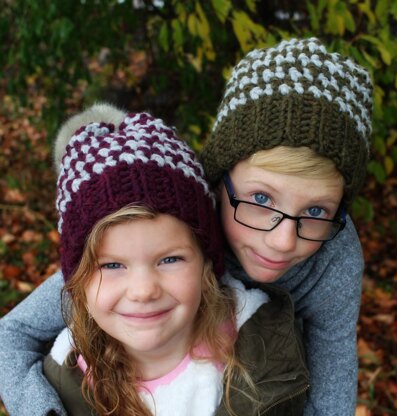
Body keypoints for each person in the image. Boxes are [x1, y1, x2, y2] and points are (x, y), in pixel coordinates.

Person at [0, 37, 373, 415]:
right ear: (218, 177)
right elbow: (14, 332)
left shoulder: (334, 254)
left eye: (316, 210)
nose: (281, 241)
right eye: (261, 199)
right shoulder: (172, 219)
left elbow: (332, 382)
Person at [1, 104, 308, 416]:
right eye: (111, 265)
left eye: (170, 259)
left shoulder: (264, 350)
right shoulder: (66, 380)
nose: (143, 290)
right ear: (76, 280)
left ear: (207, 261)